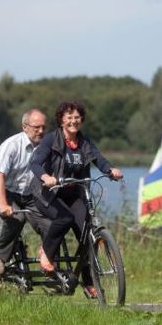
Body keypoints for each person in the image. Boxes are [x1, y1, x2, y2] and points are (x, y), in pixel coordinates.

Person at [29, 101, 122, 295]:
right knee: (64, 218)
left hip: (74, 193)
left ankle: (89, 283)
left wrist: (110, 170)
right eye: (69, 117)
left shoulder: (84, 142)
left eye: (77, 117)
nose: (74, 121)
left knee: (87, 234)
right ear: (61, 120)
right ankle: (46, 253)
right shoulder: (51, 140)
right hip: (49, 192)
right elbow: (35, 163)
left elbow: (99, 159)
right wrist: (46, 177)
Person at [0, 108, 53, 275]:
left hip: (30, 194)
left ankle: (48, 262)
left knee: (52, 224)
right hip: (4, 190)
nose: (41, 131)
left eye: (43, 127)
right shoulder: (11, 145)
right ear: (25, 126)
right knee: (17, 218)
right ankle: (0, 255)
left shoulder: (46, 146)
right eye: (36, 127)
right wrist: (3, 204)